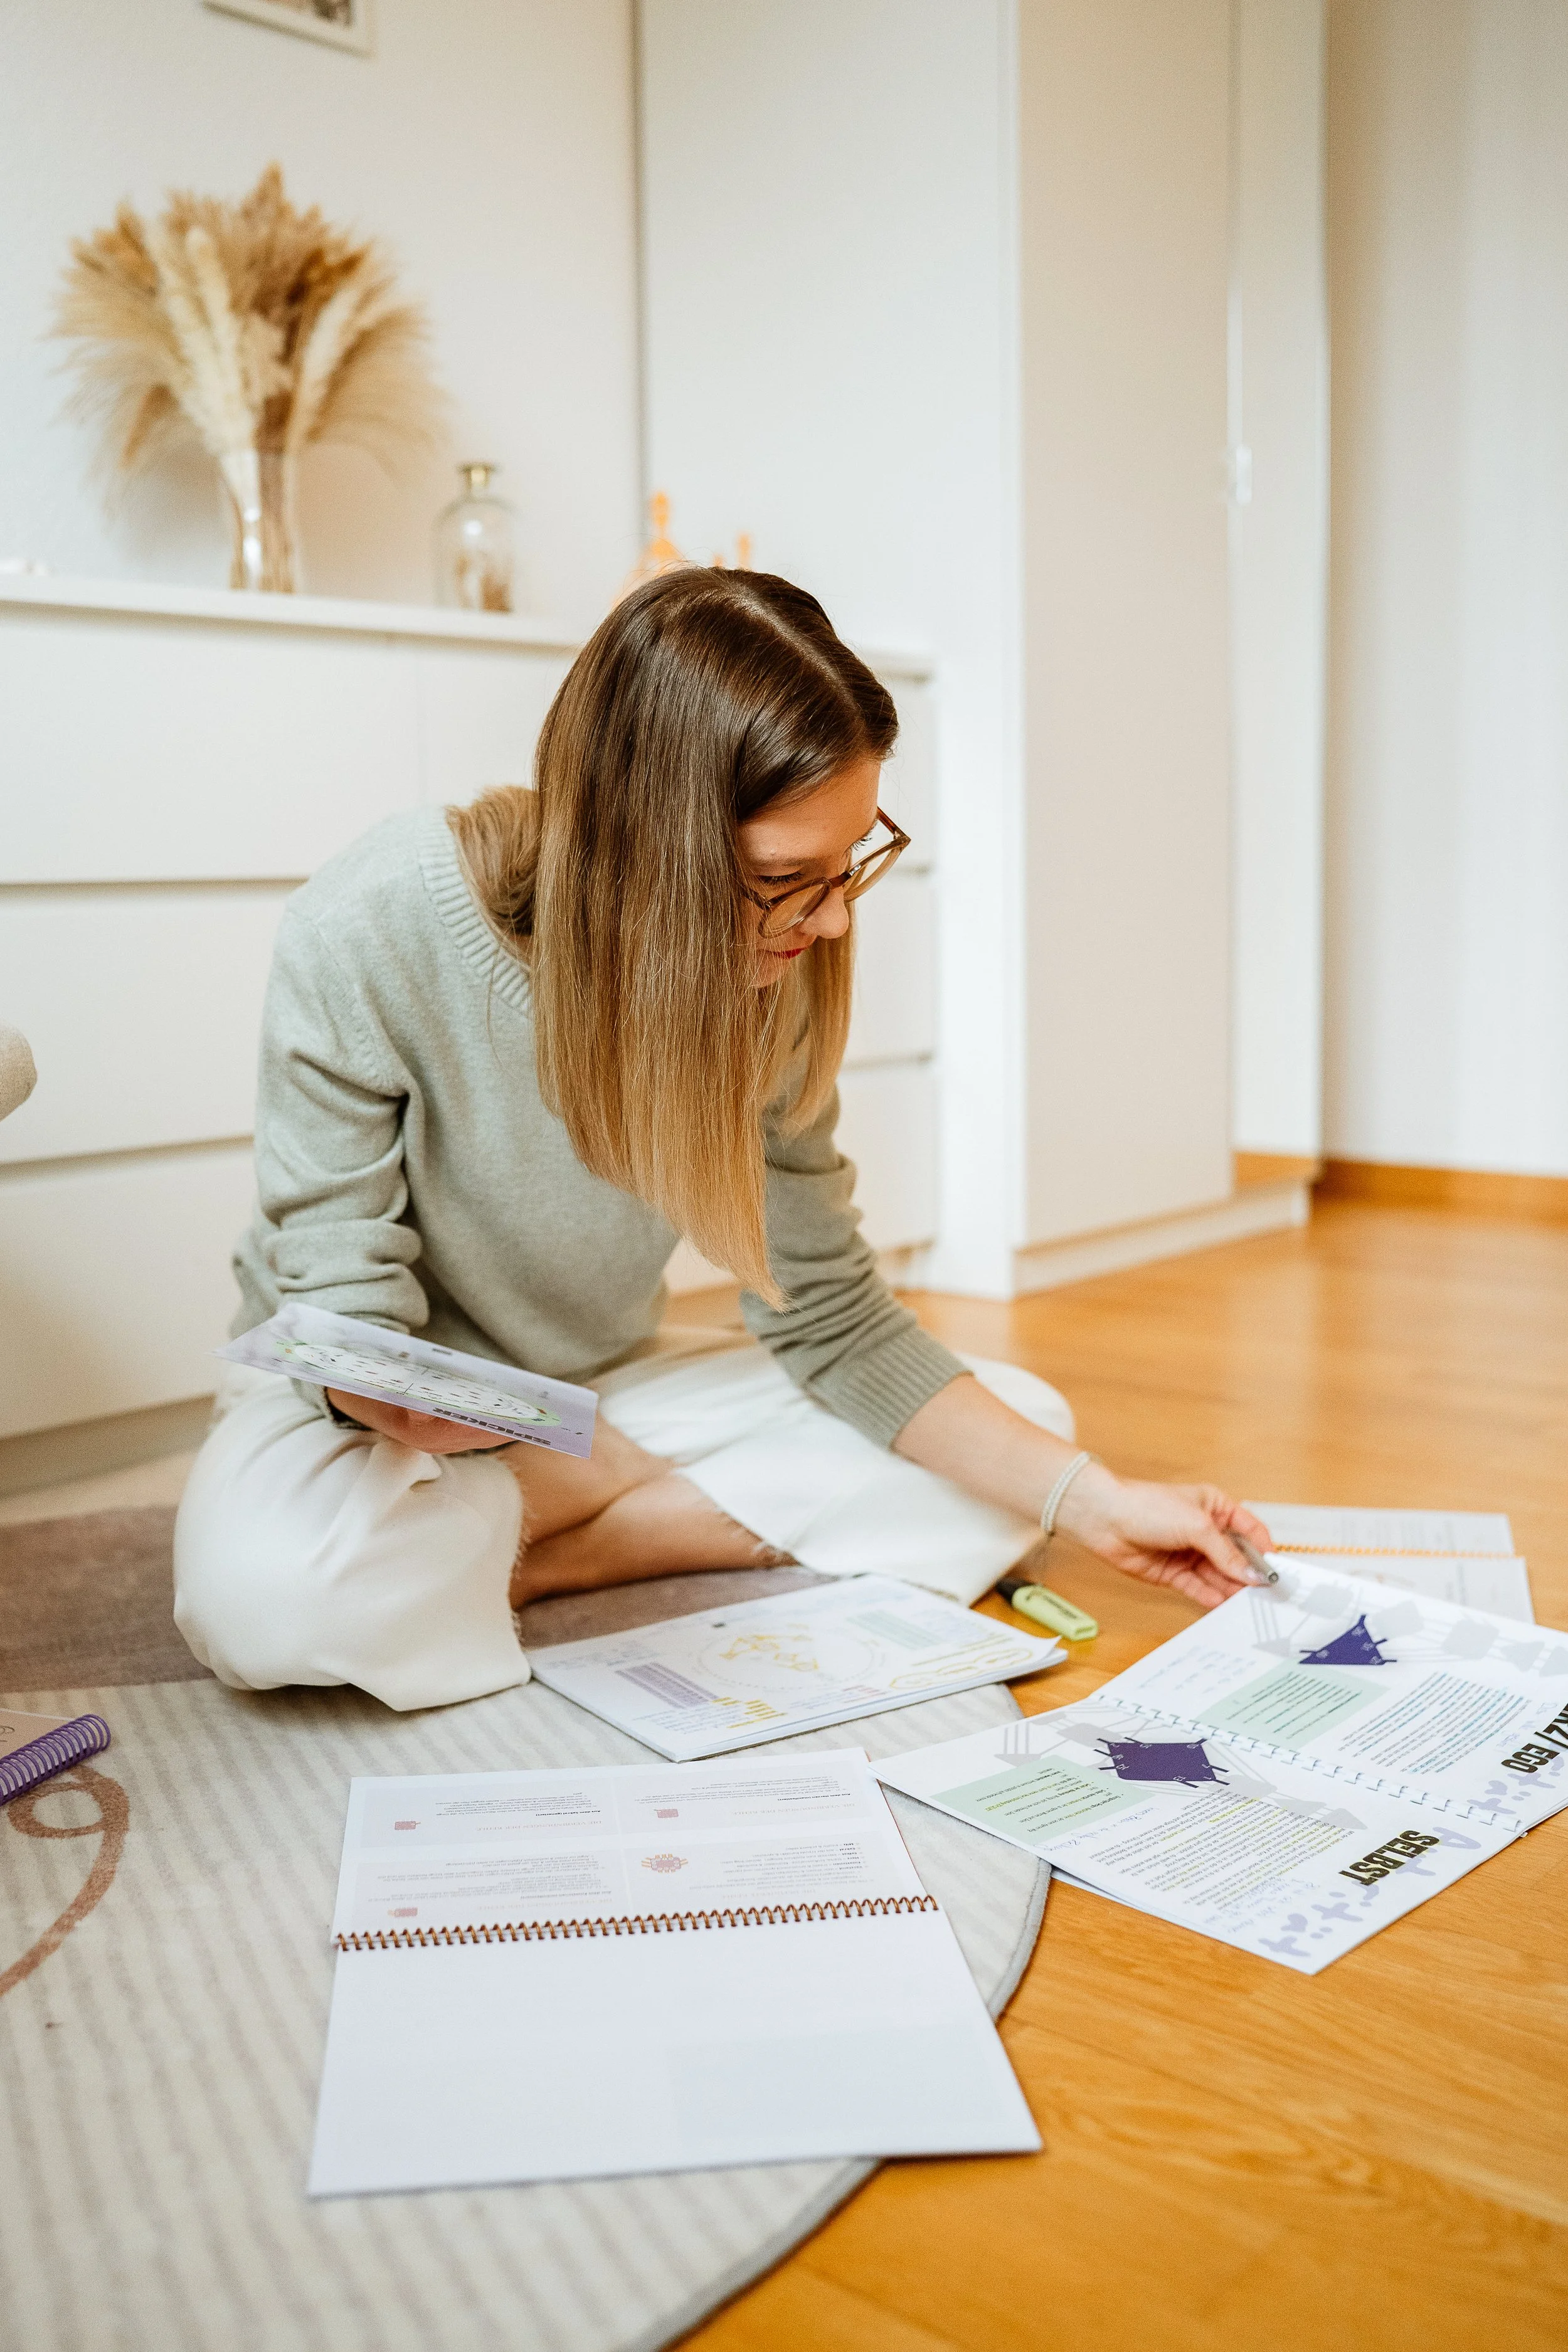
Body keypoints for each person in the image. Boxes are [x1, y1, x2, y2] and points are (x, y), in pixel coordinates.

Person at [174, 568, 1272, 1711]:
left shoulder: (777, 959)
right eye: (785, 880)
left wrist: (1100, 1503)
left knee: (1035, 1438)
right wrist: (384, 1404)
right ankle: (554, 1507)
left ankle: (552, 1551)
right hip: (366, 1425)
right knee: (259, 1599)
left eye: (848, 863)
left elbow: (832, 1318)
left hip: (587, 1393)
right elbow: (339, 1316)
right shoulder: (374, 919)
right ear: (638, 849)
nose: (835, 917)